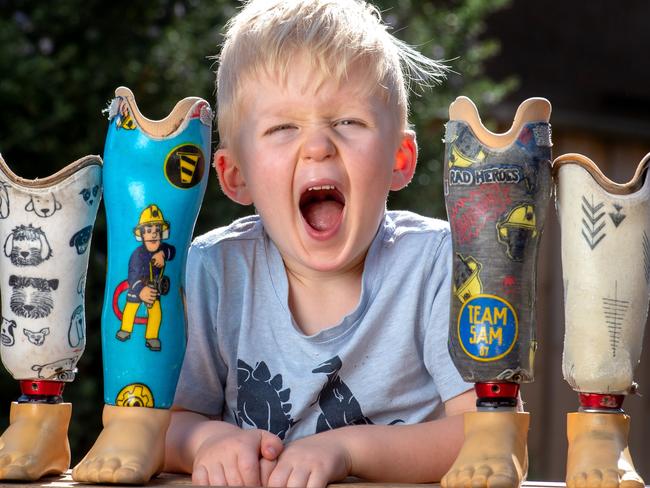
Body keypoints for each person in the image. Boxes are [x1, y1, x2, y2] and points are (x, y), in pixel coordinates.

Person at [164, 0, 476, 486]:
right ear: (235, 175)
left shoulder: (437, 265)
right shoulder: (214, 271)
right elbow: (155, 424)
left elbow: (485, 435)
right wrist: (207, 442)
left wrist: (346, 449)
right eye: (282, 127)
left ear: (400, 157)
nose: (318, 146)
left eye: (349, 122)